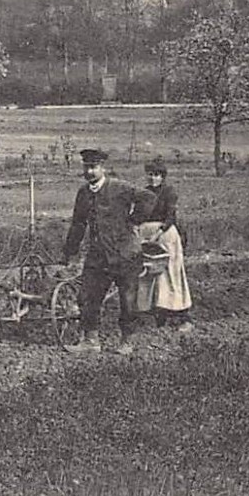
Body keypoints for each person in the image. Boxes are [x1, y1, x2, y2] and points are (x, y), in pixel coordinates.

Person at [62, 148, 155, 354]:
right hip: (98, 256)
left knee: (128, 301)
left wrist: (134, 219)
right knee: (88, 296)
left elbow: (148, 198)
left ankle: (126, 341)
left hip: (125, 255)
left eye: (94, 167)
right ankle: (90, 341)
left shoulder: (119, 187)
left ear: (103, 168)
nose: (89, 172)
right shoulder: (84, 193)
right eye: (86, 167)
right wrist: (70, 249)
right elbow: (78, 224)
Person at [137, 158, 193, 331]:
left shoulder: (169, 192)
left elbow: (170, 217)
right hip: (146, 236)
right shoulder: (144, 193)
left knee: (170, 275)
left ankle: (184, 317)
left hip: (165, 236)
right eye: (151, 175)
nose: (153, 178)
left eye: (157, 175)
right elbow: (138, 214)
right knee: (148, 276)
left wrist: (158, 233)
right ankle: (156, 317)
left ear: (162, 177)